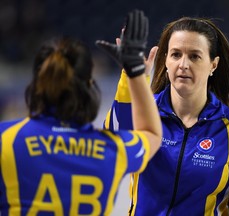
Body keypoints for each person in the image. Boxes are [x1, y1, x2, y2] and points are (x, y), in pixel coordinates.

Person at [103, 16, 229, 215]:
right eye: (176, 55)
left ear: (213, 64)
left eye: (194, 56)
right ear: (166, 60)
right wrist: (130, 76)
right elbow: (112, 145)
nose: (183, 64)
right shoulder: (144, 111)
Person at [0, 10, 162, 215]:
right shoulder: (114, 148)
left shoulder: (6, 140)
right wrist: (135, 72)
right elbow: (152, 134)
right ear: (89, 88)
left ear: (36, 86)